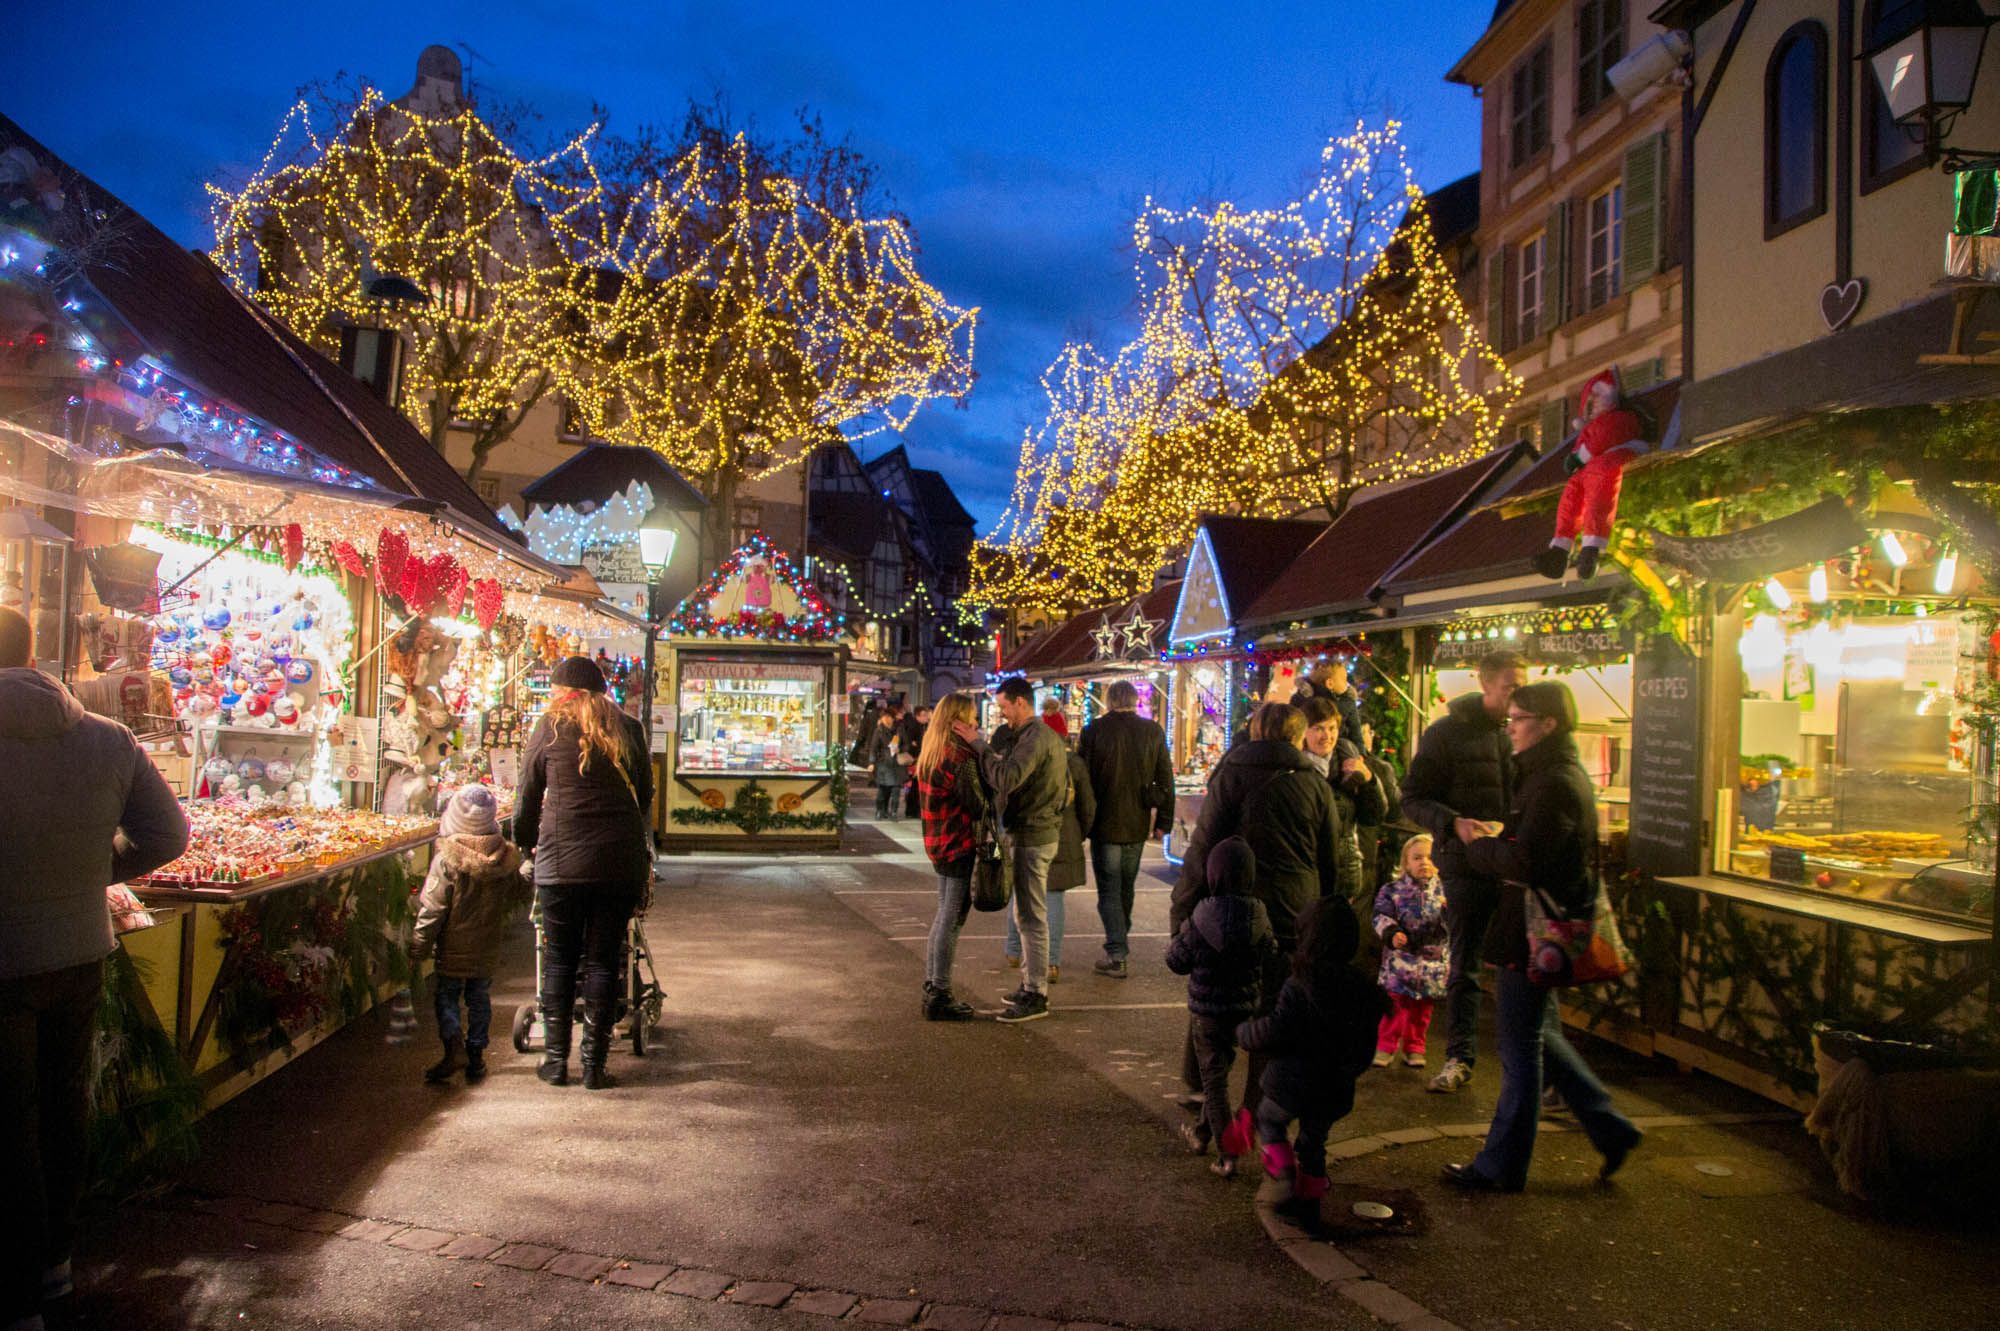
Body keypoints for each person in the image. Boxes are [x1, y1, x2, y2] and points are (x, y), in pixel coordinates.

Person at [0, 606, 190, 1331]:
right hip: (80, 950)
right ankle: (54, 1263)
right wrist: (95, 871)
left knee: (9, 1123)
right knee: (62, 1105)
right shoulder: (106, 738)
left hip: (7, 961)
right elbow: (168, 833)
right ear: (35, 656)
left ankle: (17, 1292)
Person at [1442, 681, 1643, 1191]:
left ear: (1548, 724)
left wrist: (1478, 846)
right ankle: (1609, 1125)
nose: (1510, 727)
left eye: (1519, 719)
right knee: (1539, 1036)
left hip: (1532, 932)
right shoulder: (1549, 774)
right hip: (1535, 931)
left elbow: (1528, 861)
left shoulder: (1553, 782)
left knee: (1520, 1051)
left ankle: (1501, 1165)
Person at [1171, 702, 1343, 1119]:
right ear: (1298, 737)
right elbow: (1329, 856)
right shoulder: (1314, 784)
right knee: (1273, 1003)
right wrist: (1324, 909)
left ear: (1255, 731)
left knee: (1217, 993)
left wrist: (1185, 908)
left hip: (1234, 907)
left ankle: (1201, 1083)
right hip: (1292, 909)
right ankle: (1257, 1102)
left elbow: (1203, 847)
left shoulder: (1232, 775)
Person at [517, 655, 653, 1090]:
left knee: (558, 962)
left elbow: (527, 794)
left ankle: (556, 1063)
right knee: (602, 961)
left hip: (560, 863)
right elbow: (645, 794)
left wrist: (525, 843)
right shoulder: (628, 729)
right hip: (618, 863)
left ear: (561, 691)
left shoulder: (550, 728)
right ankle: (595, 1066)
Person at [1400, 649, 1526, 1094]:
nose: (1517, 695)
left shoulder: (1521, 734)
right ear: (1486, 683)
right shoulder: (1446, 735)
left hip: (1516, 866)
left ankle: (1536, 1067)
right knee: (1466, 965)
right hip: (1467, 865)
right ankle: (1459, 1057)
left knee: (1526, 966)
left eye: (1522, 685)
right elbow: (1411, 797)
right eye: (1511, 685)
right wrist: (1453, 823)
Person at [1237, 897, 1385, 1229]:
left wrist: (1245, 1033)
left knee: (1269, 1121)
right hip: (1334, 1088)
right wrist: (1347, 1073)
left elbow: (1277, 1029)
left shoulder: (1302, 982)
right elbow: (1365, 1047)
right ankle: (1310, 1203)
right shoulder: (1362, 988)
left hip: (1292, 1083)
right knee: (1314, 1142)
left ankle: (1285, 1171)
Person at [954, 677, 1069, 1023]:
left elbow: (1007, 777)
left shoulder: (1036, 737)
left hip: (1034, 834)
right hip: (1034, 830)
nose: (1002, 714)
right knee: (1026, 914)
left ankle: (1036, 993)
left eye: (1004, 706)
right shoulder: (1037, 736)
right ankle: (1029, 983)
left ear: (1021, 702)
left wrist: (979, 746)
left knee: (1032, 916)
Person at [1166, 837, 1277, 1177]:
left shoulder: (1202, 916)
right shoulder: (1258, 914)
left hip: (1207, 1014)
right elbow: (1270, 954)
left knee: (1213, 1082)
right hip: (1242, 1009)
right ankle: (1200, 1134)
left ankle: (1226, 1154)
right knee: (1220, 1073)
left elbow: (1176, 960)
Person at [411, 785, 524, 1084]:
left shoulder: (447, 861)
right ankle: (476, 1058)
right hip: (488, 944)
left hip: (452, 946)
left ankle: (453, 1047)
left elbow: (432, 909)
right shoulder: (504, 859)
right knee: (479, 997)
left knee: (446, 996)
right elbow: (517, 893)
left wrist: (419, 946)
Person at [1078, 678, 1172, 979]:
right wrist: (1164, 822)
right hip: (1137, 821)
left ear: (1109, 701)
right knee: (1125, 886)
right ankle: (1119, 942)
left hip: (1104, 820)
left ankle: (1117, 951)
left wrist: (1081, 820)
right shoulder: (1152, 731)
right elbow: (1166, 779)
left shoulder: (1094, 731)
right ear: (1136, 701)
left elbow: (1082, 779)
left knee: (1109, 888)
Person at [915, 693, 988, 1022]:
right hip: (957, 842)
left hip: (937, 842)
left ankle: (932, 985)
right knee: (951, 919)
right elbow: (978, 804)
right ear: (959, 718)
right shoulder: (959, 755)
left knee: (943, 915)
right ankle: (940, 993)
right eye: (972, 715)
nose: (975, 721)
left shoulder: (932, 750)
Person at [1005, 747, 1094, 981]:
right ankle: (1051, 963)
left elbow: (1005, 800)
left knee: (1021, 893)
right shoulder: (1073, 763)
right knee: (1053, 898)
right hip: (1063, 835)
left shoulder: (1023, 757)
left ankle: (1014, 951)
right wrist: (1079, 833)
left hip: (1026, 833)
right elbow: (1088, 805)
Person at [1371, 834, 1449, 1070]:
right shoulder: (1392, 890)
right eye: (1417, 858)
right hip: (1401, 962)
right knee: (1395, 1005)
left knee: (1422, 1010)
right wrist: (1392, 933)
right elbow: (1380, 915)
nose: (1424, 862)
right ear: (1406, 862)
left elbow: (1453, 926)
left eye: (1429, 857)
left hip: (1431, 965)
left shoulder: (1445, 892)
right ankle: (1386, 1045)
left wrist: (1447, 913)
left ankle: (1415, 1046)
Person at [1297, 696, 1378, 910]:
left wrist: (1369, 779)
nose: (1327, 736)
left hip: (1345, 873)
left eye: (1332, 728)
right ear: (1303, 732)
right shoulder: (1295, 768)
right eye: (1318, 729)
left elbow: (1375, 815)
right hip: (1306, 875)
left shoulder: (1348, 761)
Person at [868, 705, 909, 820]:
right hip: (883, 763)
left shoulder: (899, 729)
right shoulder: (879, 730)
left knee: (896, 789)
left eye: (889, 717)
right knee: (883, 790)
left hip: (897, 763)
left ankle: (894, 812)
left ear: (893, 718)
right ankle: (880, 810)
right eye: (884, 717)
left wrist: (900, 749)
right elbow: (873, 748)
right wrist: (871, 762)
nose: (886, 719)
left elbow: (906, 744)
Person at [901, 703, 932, 819]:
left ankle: (915, 810)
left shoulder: (926, 727)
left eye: (926, 715)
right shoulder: (913, 727)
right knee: (914, 786)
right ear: (917, 716)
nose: (926, 717)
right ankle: (912, 810)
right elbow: (911, 744)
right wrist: (916, 746)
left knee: (918, 786)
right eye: (923, 715)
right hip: (915, 760)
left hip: (922, 759)